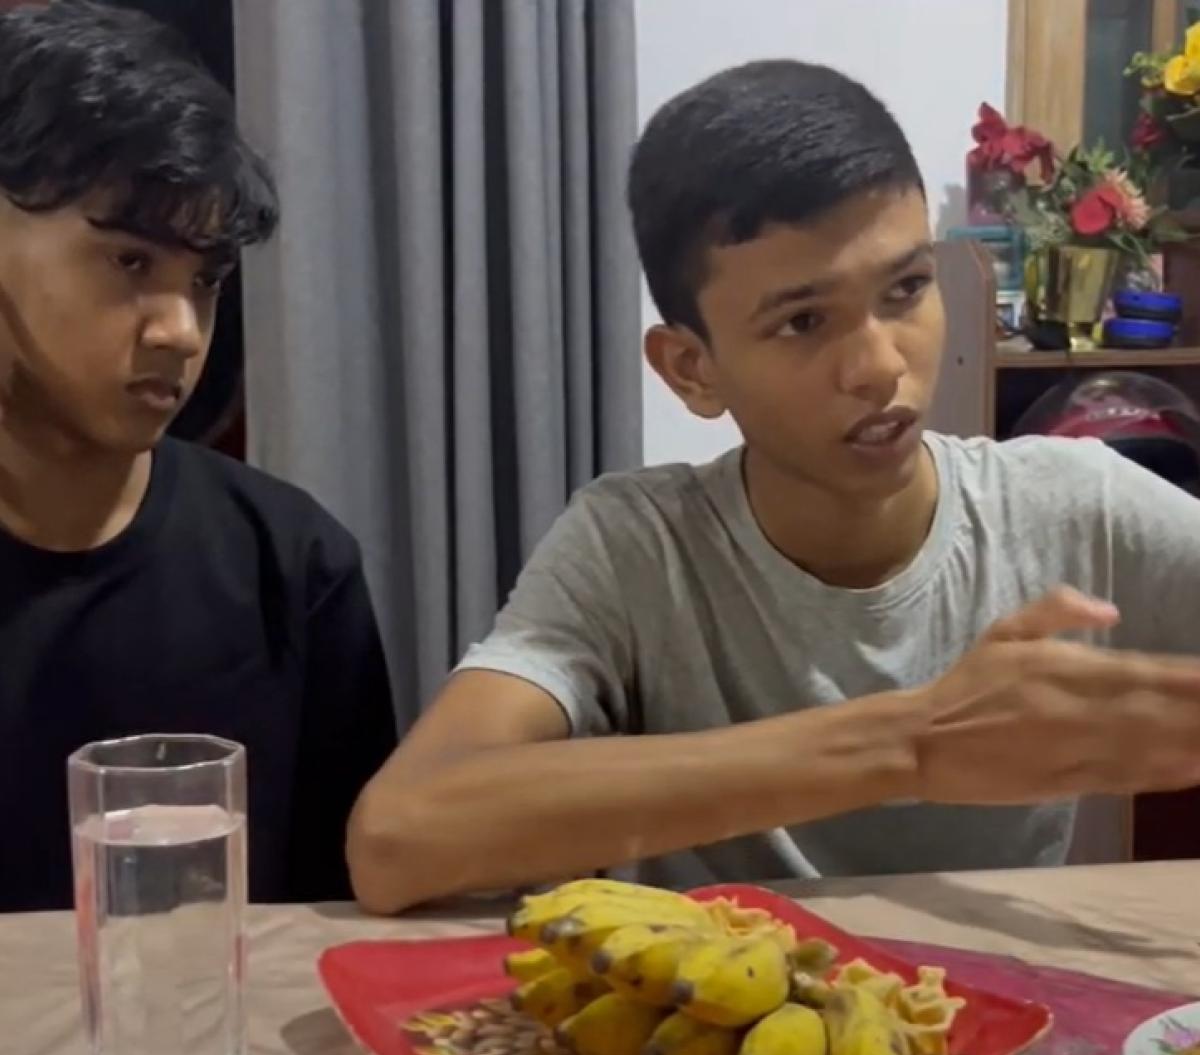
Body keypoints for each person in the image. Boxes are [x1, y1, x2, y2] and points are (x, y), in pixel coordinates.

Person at [347, 60, 1200, 915]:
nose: (878, 367)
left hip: (1013, 1027)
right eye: (802, 321)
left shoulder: (1070, 505)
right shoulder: (638, 545)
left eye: (906, 289)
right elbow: (399, 838)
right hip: (718, 1030)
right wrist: (908, 742)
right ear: (692, 369)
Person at [0, 1, 395, 911]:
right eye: (131, 264)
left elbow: (335, 921)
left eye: (206, 282)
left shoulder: (292, 564)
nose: (181, 331)